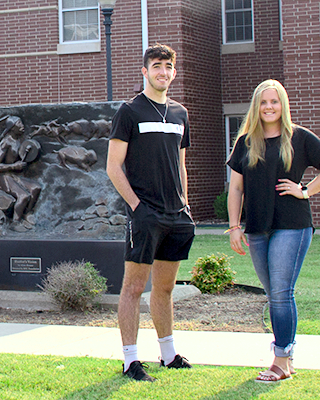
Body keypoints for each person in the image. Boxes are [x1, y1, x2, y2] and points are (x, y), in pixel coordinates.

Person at [226, 79, 320, 382]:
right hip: (257, 228)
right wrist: (234, 226)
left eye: (274, 101)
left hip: (292, 225)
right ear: (256, 106)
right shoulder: (245, 143)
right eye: (263, 102)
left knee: (280, 293)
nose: (269, 107)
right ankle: (286, 361)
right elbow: (236, 189)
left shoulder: (299, 138)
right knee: (273, 293)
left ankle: (280, 360)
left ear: (283, 105)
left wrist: (305, 191)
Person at [107, 43, 195, 382]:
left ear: (173, 72)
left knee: (166, 288)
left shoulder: (180, 113)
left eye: (168, 67)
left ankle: (168, 354)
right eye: (156, 66)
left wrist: (185, 204)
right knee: (133, 288)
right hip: (145, 215)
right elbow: (113, 167)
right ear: (145, 71)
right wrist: (137, 207)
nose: (163, 72)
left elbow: (180, 166)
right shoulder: (129, 112)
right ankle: (131, 361)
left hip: (176, 215)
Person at [0, 115, 42, 229]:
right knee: (23, 196)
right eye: (19, 124)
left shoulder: (19, 140)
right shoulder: (6, 142)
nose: (22, 126)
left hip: (14, 176)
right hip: (3, 177)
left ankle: (26, 214)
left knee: (35, 188)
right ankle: (15, 223)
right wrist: (14, 166)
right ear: (12, 127)